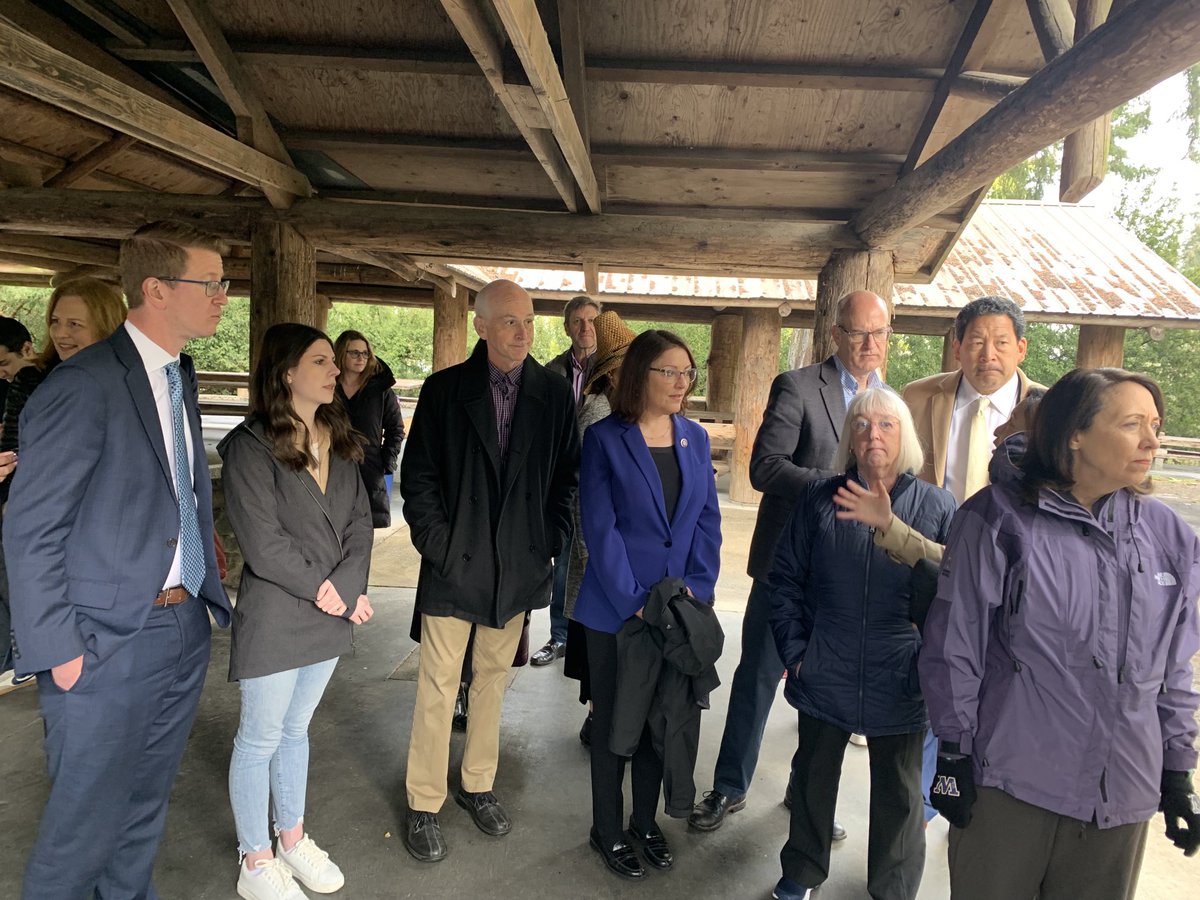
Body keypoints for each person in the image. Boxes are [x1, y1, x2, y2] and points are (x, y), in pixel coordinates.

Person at [3, 220, 233, 899]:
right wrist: (60, 649)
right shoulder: (83, 384)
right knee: (81, 827)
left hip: (180, 625)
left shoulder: (177, 375)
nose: (224, 294)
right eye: (211, 282)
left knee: (142, 808)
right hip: (102, 645)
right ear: (157, 290)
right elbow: (32, 529)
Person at [920, 368, 1200, 900]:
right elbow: (955, 645)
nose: (1151, 441)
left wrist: (1178, 769)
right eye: (1132, 424)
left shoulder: (1168, 536)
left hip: (1122, 792)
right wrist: (952, 755)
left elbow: (1174, 665)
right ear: (1076, 432)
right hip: (1013, 784)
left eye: (1156, 426)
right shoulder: (1000, 520)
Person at [690, 289, 892, 835]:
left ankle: (807, 798)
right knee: (757, 676)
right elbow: (766, 469)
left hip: (849, 574)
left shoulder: (890, 402)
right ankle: (729, 788)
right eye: (858, 333)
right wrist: (837, 487)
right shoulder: (799, 386)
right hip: (788, 567)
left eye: (879, 333)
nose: (870, 344)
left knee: (825, 693)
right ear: (836, 335)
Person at [398, 278, 580, 862]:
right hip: (456, 563)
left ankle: (478, 784)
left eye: (528, 321)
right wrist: (439, 544)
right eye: (508, 321)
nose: (522, 331)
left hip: (517, 563)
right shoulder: (444, 390)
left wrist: (547, 541)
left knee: (493, 683)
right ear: (479, 325)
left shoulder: (553, 394)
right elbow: (418, 476)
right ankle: (424, 801)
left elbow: (567, 480)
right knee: (437, 687)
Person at [769, 388, 956, 900]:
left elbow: (954, 593)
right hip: (825, 660)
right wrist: (797, 653)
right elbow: (784, 580)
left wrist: (929, 667)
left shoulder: (937, 504)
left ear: (905, 437)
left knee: (900, 792)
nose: (874, 435)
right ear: (849, 437)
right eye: (862, 424)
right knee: (813, 777)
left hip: (901, 670)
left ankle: (893, 887)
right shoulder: (820, 498)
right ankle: (802, 870)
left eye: (887, 425)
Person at [218, 322, 374, 900]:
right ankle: (254, 860)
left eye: (334, 362)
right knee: (259, 738)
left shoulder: (339, 435)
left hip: (330, 606)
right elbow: (263, 544)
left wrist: (351, 585)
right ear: (287, 373)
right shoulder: (249, 446)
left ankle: (292, 838)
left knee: (296, 730)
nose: (337, 370)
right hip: (280, 611)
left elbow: (361, 521)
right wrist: (328, 591)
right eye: (322, 361)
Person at [574, 329, 722, 880]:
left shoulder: (695, 438)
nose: (683, 383)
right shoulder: (606, 440)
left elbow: (707, 520)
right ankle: (606, 830)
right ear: (641, 375)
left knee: (663, 718)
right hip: (618, 611)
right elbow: (600, 528)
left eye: (689, 373)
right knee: (616, 724)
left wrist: (697, 591)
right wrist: (637, 602)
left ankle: (643, 822)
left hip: (677, 608)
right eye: (671, 372)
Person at [902, 294, 1045, 823]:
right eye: (977, 342)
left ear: (1021, 348)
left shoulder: (1049, 413)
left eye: (1002, 342)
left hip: (1014, 577)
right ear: (957, 346)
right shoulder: (917, 398)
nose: (989, 354)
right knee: (934, 681)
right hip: (926, 564)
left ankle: (981, 803)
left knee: (999, 686)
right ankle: (919, 809)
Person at [564, 309, 637, 746]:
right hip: (600, 558)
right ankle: (600, 716)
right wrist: (598, 561)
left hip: (622, 561)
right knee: (600, 645)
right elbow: (584, 496)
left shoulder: (633, 415)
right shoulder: (598, 414)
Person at [534, 294, 602, 667]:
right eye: (577, 321)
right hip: (560, 478)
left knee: (593, 555)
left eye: (591, 320)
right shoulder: (551, 372)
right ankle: (559, 635)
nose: (585, 328)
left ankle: (589, 635)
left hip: (600, 480)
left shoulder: (613, 372)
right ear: (566, 327)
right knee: (562, 555)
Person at [0, 277, 127, 455]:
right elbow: (11, 455)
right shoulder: (32, 380)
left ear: (104, 327)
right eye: (55, 321)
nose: (60, 333)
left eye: (74, 324)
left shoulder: (132, 380)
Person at [333, 329, 405, 527]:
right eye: (354, 353)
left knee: (363, 534)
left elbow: (396, 429)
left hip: (369, 468)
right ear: (341, 354)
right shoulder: (328, 386)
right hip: (331, 468)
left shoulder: (381, 390)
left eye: (365, 353)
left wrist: (386, 462)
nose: (361, 358)